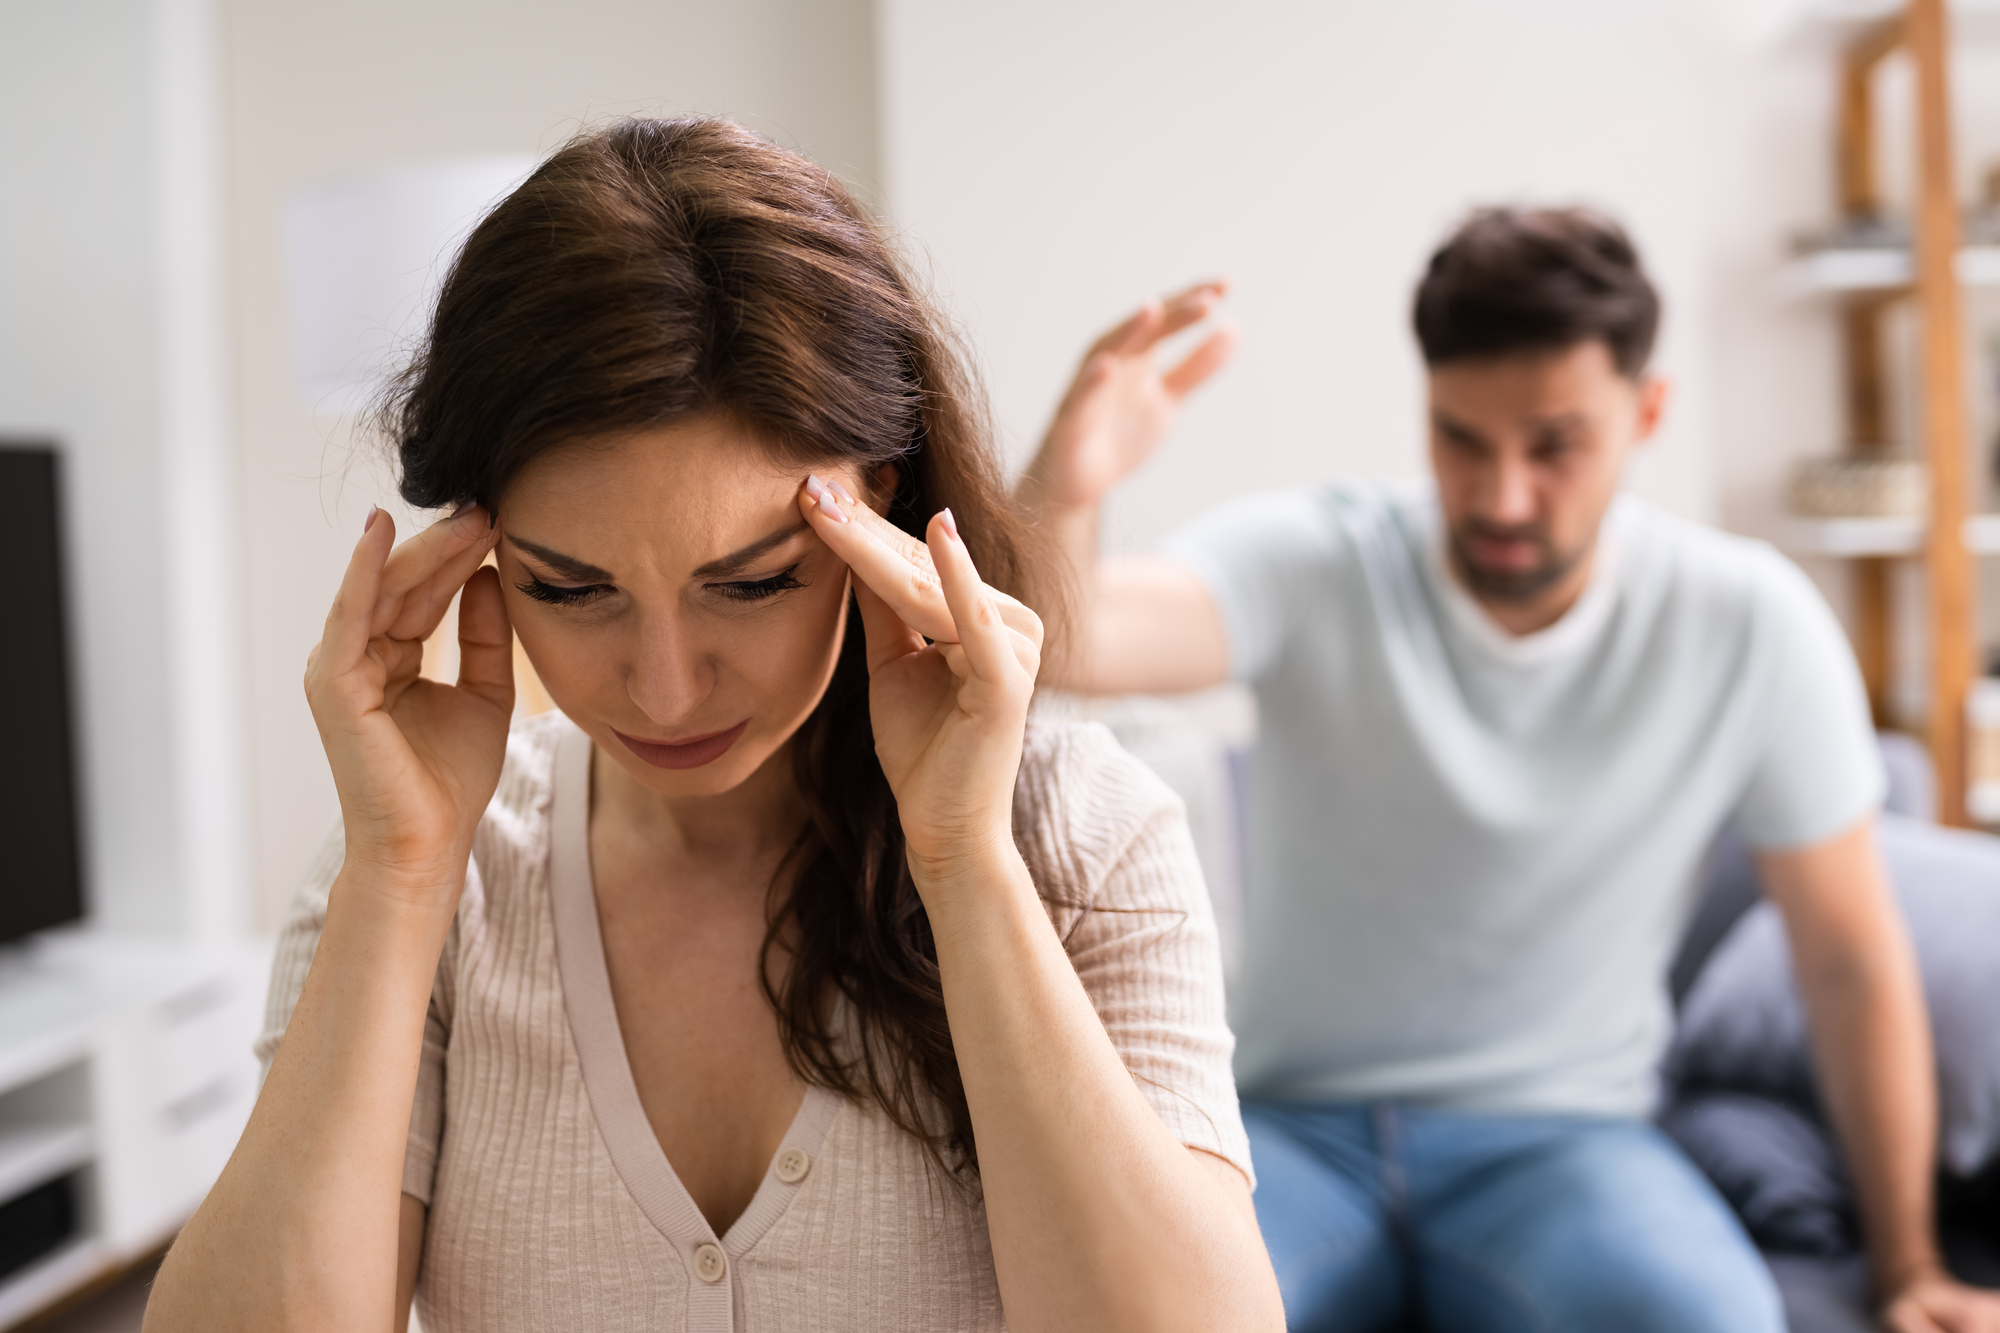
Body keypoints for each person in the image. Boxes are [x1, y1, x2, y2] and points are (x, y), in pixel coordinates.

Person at [144, 118, 1283, 1333]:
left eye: (749, 583)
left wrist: (963, 863)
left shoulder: (1078, 833)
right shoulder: (433, 870)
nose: (666, 689)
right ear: (477, 552)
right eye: (573, 591)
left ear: (879, 510)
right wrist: (400, 875)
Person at [1020, 208, 2000, 1333]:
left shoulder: (1748, 623)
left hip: (1565, 1143)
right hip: (1288, 1132)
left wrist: (1906, 1264)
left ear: (1647, 414)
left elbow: (1847, 963)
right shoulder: (1319, 558)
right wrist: (1067, 482)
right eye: (1461, 440)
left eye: (1552, 446)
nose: (1499, 498)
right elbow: (1069, 638)